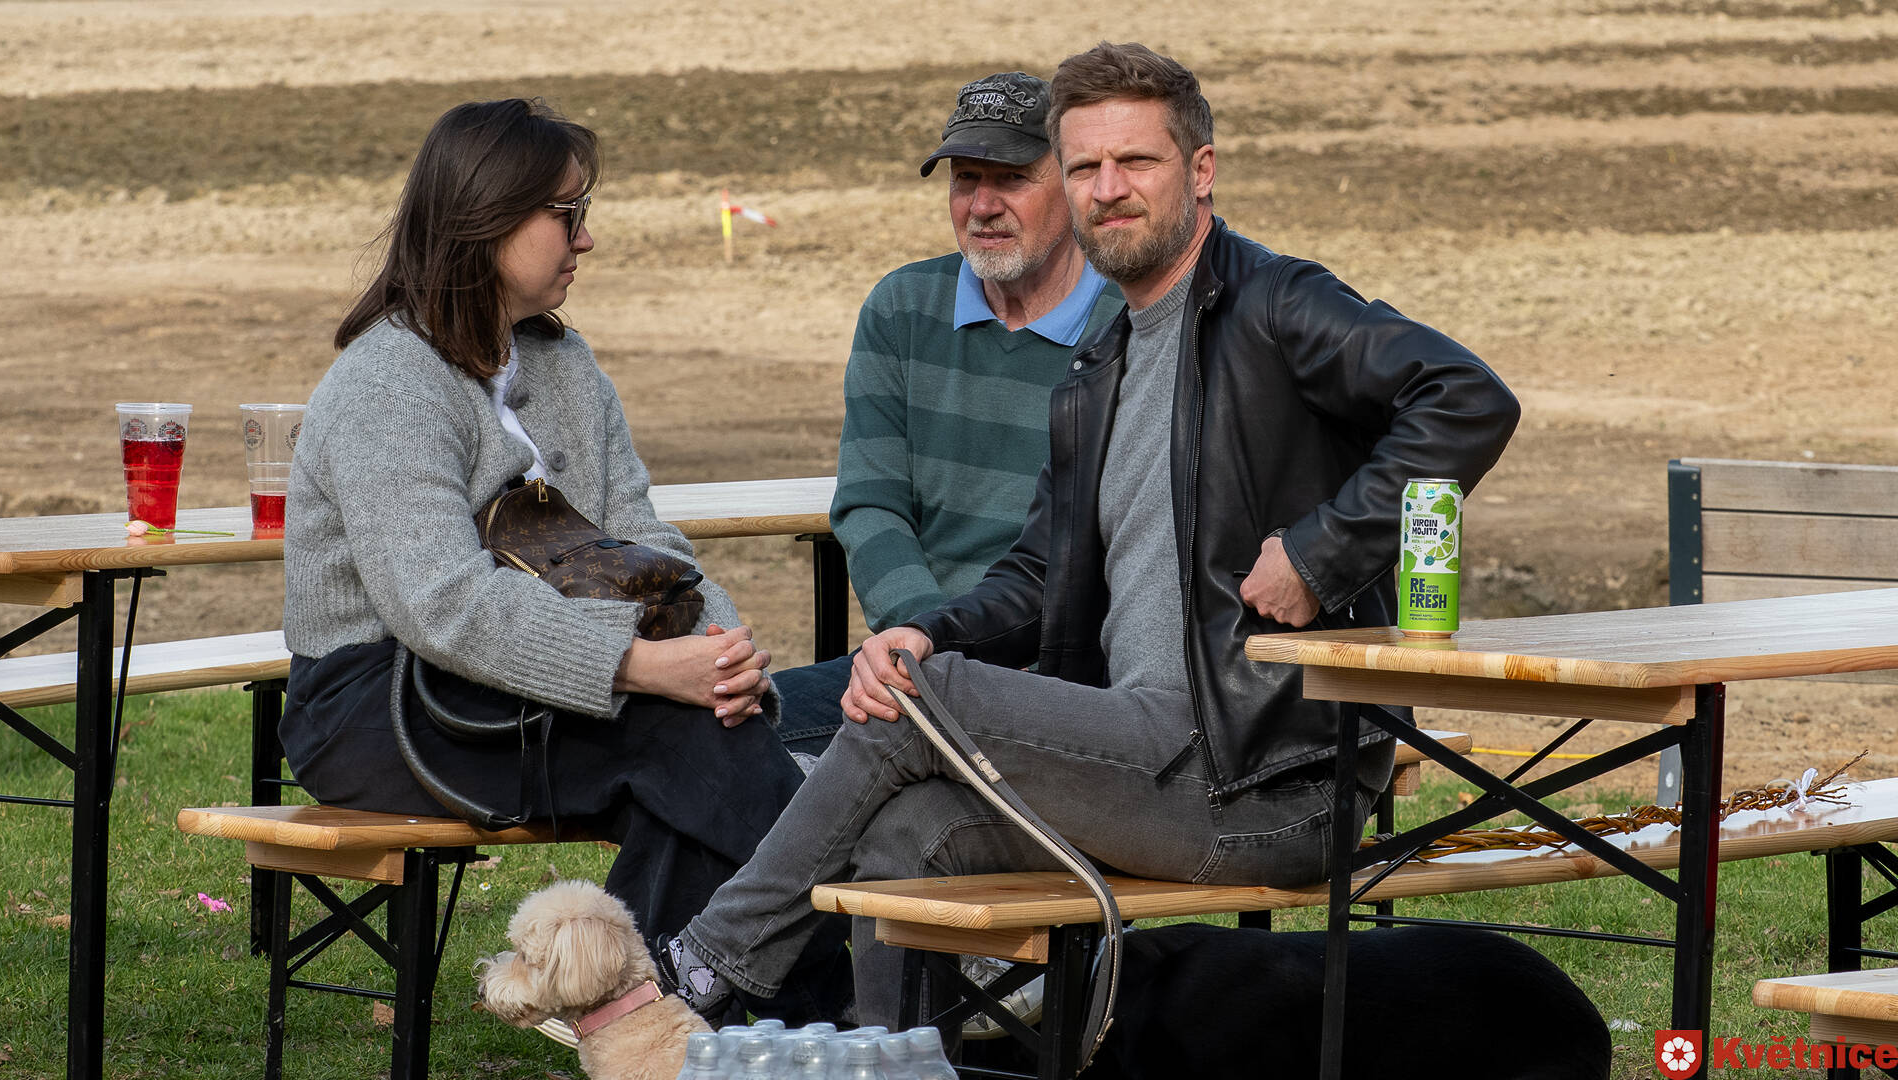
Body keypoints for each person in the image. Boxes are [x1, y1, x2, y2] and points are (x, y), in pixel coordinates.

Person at [650, 41, 1521, 1030]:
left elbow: (1466, 398)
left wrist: (1322, 554)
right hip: (1142, 754)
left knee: (924, 700)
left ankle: (702, 972)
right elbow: (1038, 573)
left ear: (1200, 170)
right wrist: (927, 630)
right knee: (909, 828)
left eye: (1136, 161)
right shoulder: (1101, 363)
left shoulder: (1277, 304)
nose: (1108, 189)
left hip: (1274, 780)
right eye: (1085, 167)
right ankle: (906, 1058)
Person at [278, 98, 849, 1024]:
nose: (586, 239)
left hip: (514, 681)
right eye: (568, 214)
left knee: (701, 756)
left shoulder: (564, 363)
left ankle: (669, 1026)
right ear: (488, 219)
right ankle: (833, 1017)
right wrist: (645, 668)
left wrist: (718, 652)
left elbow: (649, 546)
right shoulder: (387, 384)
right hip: (372, 702)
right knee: (684, 743)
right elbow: (444, 606)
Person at [769, 72, 1123, 759]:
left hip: (1066, 679)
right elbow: (871, 505)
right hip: (918, 657)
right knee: (722, 735)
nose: (982, 206)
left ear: (1073, 183)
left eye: (1011, 178)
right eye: (965, 179)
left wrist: (953, 652)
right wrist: (925, 641)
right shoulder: (902, 308)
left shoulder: (1129, 322)